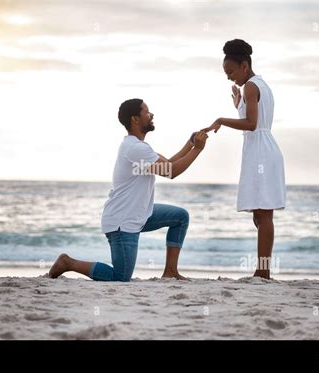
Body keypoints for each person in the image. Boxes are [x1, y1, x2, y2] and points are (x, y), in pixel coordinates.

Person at [49, 98, 208, 281]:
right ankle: (68, 263)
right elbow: (172, 172)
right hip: (122, 221)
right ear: (135, 119)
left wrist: (190, 143)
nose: (151, 115)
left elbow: (170, 163)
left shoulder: (139, 147)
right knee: (121, 277)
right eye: (147, 113)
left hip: (140, 214)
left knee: (180, 217)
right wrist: (198, 149)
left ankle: (170, 271)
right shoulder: (135, 149)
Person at [203, 39, 286, 279]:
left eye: (230, 71)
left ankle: (263, 271)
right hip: (260, 150)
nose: (229, 77)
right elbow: (253, 116)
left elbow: (251, 124)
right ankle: (263, 269)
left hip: (261, 151)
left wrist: (221, 120)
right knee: (258, 214)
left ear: (244, 65)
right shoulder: (258, 85)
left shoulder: (251, 86)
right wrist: (238, 104)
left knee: (264, 214)